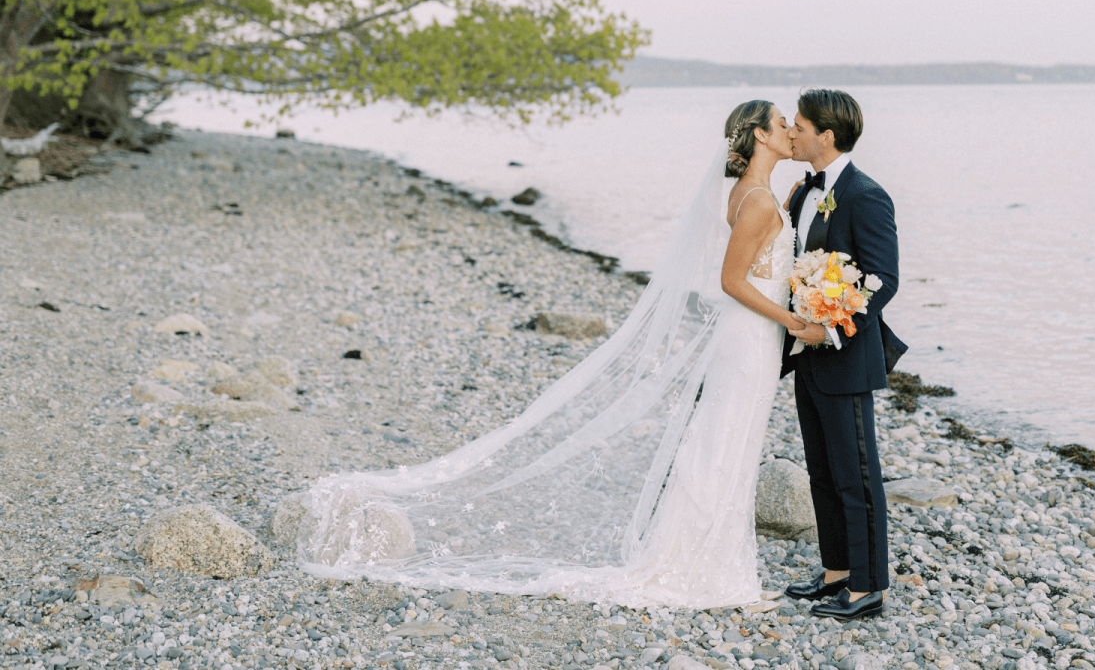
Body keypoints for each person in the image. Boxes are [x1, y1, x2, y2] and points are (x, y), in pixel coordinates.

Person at [293, 100, 825, 610]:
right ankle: (703, 571)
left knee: (727, 443)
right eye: (782, 123)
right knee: (725, 445)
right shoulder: (755, 200)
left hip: (752, 336)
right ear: (758, 134)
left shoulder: (754, 194)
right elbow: (733, 281)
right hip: (751, 335)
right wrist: (795, 322)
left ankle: (717, 566)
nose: (789, 131)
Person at [779, 88, 904, 622]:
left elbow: (883, 280)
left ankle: (869, 584)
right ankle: (836, 574)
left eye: (800, 127)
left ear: (826, 136)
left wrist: (830, 329)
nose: (793, 133)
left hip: (843, 352)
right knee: (822, 470)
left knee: (856, 472)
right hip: (805, 352)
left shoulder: (865, 195)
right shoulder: (803, 192)